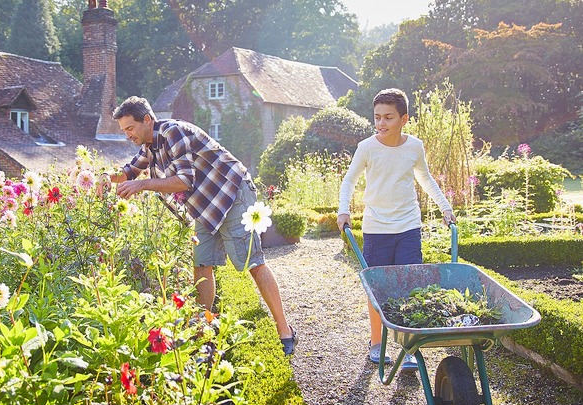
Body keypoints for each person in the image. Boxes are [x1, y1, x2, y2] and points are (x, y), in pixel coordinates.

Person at [99, 96, 297, 355]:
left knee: (253, 263)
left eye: (130, 128)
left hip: (231, 194)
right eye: (124, 130)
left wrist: (143, 184)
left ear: (147, 120)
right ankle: (204, 332)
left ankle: (285, 330)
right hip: (206, 207)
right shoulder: (150, 146)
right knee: (202, 266)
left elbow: (184, 180)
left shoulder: (173, 133)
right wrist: (103, 177)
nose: (127, 135)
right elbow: (129, 171)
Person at [336, 88, 456, 371]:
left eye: (388, 117)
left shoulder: (414, 146)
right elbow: (349, 180)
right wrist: (344, 209)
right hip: (377, 227)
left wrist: (445, 207)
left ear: (404, 119)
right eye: (377, 117)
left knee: (410, 286)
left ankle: (409, 347)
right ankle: (376, 343)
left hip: (408, 226)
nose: (381, 123)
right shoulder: (367, 147)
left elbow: (425, 178)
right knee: (378, 288)